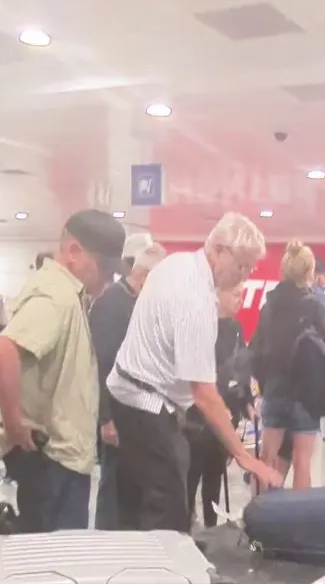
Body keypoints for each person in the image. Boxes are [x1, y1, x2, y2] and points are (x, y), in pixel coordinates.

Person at [107, 212, 281, 532]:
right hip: (147, 403)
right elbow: (204, 394)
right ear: (217, 250)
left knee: (134, 501)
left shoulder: (176, 264)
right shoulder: (196, 301)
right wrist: (243, 455)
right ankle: (164, 577)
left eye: (250, 268)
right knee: (168, 507)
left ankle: (134, 568)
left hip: (127, 393)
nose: (243, 276)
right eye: (241, 266)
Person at [0, 209, 125, 532]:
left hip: (60, 459)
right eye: (104, 267)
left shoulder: (68, 294)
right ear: (74, 251)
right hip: (53, 462)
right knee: (55, 565)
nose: (107, 278)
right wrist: (14, 424)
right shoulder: (57, 296)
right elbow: (5, 350)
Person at [250, 241, 325, 490]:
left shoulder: (270, 305)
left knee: (267, 457)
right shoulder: (315, 304)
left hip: (275, 389)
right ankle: (297, 521)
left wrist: (262, 384)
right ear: (310, 272)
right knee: (302, 462)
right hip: (306, 393)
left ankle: (259, 513)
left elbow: (256, 348)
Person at [89, 241, 166, 530]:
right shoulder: (112, 304)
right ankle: (108, 546)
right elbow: (102, 364)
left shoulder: (141, 304)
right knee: (113, 487)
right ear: (145, 275)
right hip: (116, 413)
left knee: (135, 487)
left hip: (140, 413)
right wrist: (106, 418)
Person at [186, 285, 249, 527]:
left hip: (224, 417)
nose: (239, 301)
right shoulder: (199, 327)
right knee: (191, 478)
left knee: (214, 477)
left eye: (241, 296)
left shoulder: (235, 329)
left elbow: (241, 368)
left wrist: (246, 402)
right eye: (235, 294)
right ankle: (186, 527)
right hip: (196, 417)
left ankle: (211, 528)